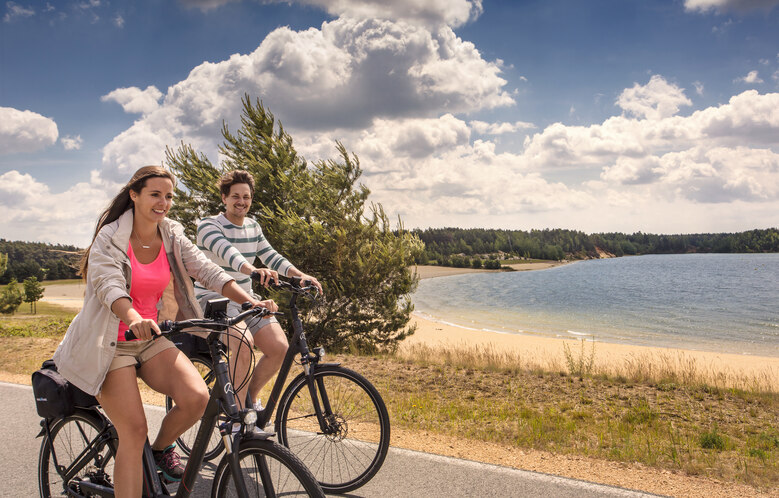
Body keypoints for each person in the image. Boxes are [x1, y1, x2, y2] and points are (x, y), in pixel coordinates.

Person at [53, 166, 277, 498]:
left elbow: (205, 269)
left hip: (151, 338)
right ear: (134, 195)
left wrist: (250, 301)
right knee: (133, 431)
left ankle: (158, 453)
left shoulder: (170, 233)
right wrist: (133, 317)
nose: (163, 202)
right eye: (155, 194)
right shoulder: (111, 236)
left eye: (169, 196)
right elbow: (109, 286)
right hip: (110, 343)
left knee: (197, 399)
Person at [194, 170, 322, 411]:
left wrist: (299, 275)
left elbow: (271, 256)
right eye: (235, 196)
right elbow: (228, 253)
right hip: (213, 300)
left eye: (246, 197)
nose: (241, 201)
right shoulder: (208, 226)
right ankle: (235, 414)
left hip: (246, 299)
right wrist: (252, 270)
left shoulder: (253, 226)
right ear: (224, 198)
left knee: (279, 348)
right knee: (244, 344)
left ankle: (248, 401)